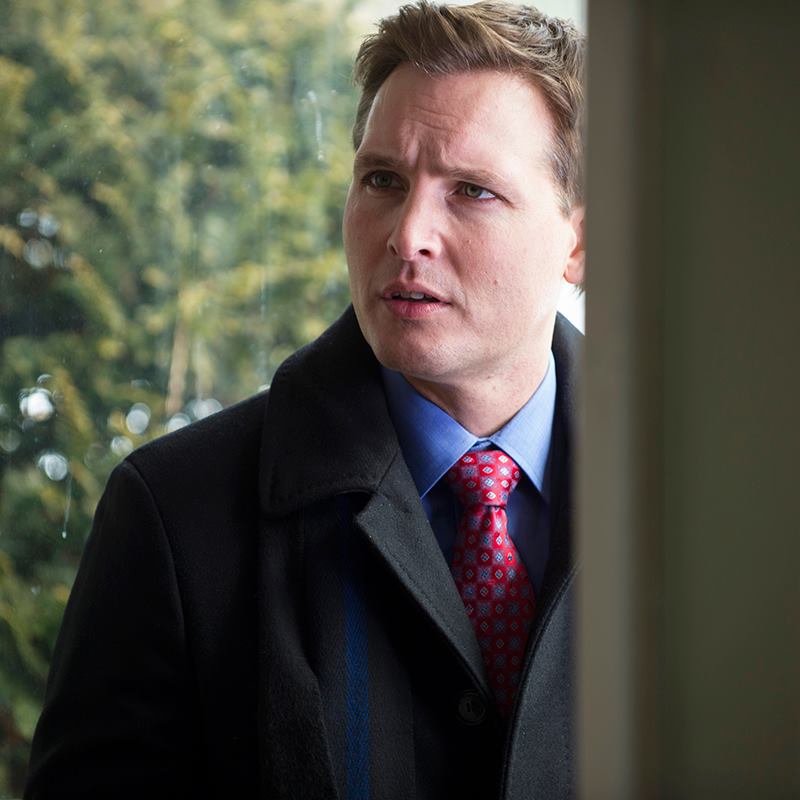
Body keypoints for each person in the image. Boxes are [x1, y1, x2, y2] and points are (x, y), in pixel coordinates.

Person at [25, 2, 585, 798]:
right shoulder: (174, 514)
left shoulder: (701, 499)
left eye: (471, 191)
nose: (408, 235)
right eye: (383, 180)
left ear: (579, 241)